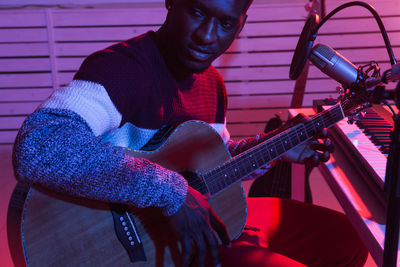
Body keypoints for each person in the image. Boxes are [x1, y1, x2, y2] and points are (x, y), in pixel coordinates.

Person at [13, 0, 368, 266]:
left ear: (240, 25)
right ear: (172, 2)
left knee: (348, 239)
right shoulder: (120, 70)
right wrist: (170, 191)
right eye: (197, 12)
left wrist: (274, 148)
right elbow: (40, 147)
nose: (207, 36)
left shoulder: (212, 83)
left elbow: (208, 166)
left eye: (226, 23)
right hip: (124, 243)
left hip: (196, 224)